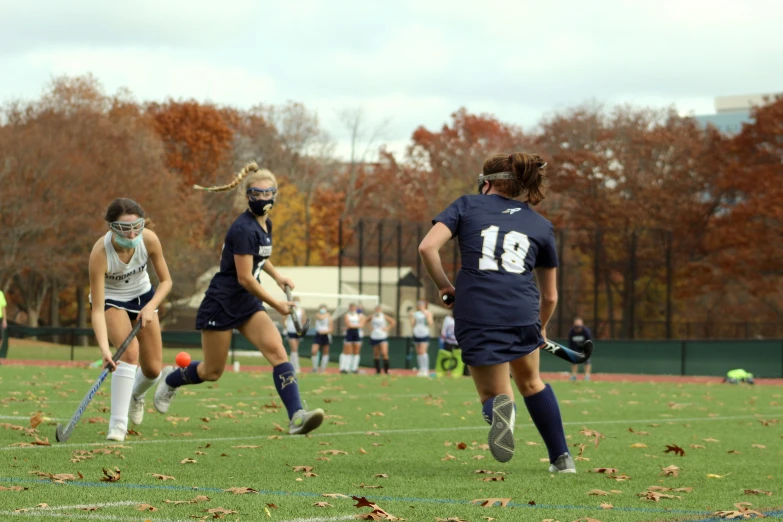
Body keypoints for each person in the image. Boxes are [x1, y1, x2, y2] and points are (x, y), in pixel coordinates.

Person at [418, 152, 574, 473]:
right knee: (531, 382)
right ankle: (562, 458)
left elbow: (427, 248)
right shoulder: (541, 225)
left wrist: (445, 287)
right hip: (523, 311)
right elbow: (551, 295)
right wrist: (540, 328)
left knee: (494, 393)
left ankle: (502, 412)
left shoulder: (466, 205)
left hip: (477, 309)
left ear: (486, 183)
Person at [153, 163, 324, 435]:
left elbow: (260, 257)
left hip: (247, 303)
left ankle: (297, 417)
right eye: (257, 194)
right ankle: (172, 378)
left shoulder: (265, 224)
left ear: (275, 195)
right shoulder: (243, 228)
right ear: (248, 196)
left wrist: (278, 277)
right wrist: (276, 304)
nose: (263, 199)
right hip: (222, 303)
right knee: (212, 371)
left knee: (279, 353)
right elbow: (245, 277)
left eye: (269, 193)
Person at [88, 198, 173, 442]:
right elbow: (96, 310)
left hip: (144, 297)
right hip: (111, 300)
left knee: (154, 370)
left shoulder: (149, 240)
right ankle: (117, 425)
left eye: (137, 226)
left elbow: (166, 281)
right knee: (129, 353)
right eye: (125, 228)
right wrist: (105, 350)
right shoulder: (100, 253)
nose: (132, 233)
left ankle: (136, 395)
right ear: (111, 228)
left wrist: (150, 307)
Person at [339, 303, 366, 374]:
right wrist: (354, 326)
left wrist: (352, 326)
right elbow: (348, 324)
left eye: (354, 307)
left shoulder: (360, 316)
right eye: (351, 307)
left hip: (357, 334)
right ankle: (345, 368)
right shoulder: (347, 315)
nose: (353, 308)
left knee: (356, 351)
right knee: (347, 351)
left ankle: (354, 368)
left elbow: (362, 324)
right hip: (349, 334)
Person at [369, 305, 396, 375]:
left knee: (384, 353)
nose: (378, 310)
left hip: (382, 336)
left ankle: (386, 370)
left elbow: (393, 322)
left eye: (379, 309)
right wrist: (370, 327)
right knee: (376, 354)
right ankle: (377, 370)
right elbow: (365, 321)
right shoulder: (372, 316)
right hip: (374, 336)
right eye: (377, 309)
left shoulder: (384, 316)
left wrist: (388, 328)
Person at [437, 313, 464, 378]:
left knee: (458, 356)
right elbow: (444, 329)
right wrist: (442, 339)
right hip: (448, 341)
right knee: (446, 356)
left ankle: (456, 372)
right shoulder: (447, 319)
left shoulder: (462, 317)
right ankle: (444, 372)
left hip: (458, 342)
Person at [410, 300, 434, 377]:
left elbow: (430, 323)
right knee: (418, 352)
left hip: (424, 333)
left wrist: (426, 316)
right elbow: (412, 324)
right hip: (417, 333)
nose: (420, 306)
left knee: (423, 351)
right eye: (419, 304)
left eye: (421, 304)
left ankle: (425, 369)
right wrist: (411, 317)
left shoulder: (428, 313)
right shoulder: (416, 314)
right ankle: (421, 369)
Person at [284, 296, 307, 374]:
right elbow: (284, 319)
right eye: (295, 301)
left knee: (295, 349)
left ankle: (292, 365)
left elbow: (303, 320)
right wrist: (286, 327)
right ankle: (295, 367)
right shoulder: (289, 310)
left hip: (298, 331)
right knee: (294, 349)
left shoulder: (301, 311)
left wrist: (302, 330)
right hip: (291, 330)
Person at [311, 304, 333, 373]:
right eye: (321, 308)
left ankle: (323, 369)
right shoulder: (318, 315)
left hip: (326, 335)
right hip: (318, 334)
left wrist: (325, 331)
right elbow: (320, 318)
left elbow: (331, 328)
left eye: (324, 308)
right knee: (314, 350)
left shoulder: (329, 317)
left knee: (325, 351)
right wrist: (327, 315)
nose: (322, 310)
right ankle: (315, 368)